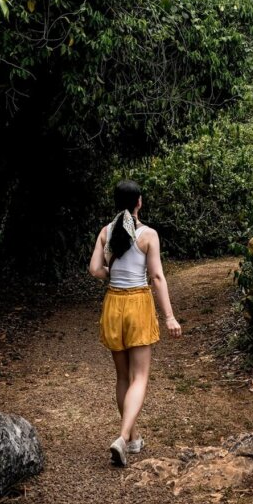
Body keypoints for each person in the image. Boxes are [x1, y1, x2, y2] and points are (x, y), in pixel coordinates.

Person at [89, 179, 182, 466]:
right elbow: (156, 277)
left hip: (114, 303)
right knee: (140, 377)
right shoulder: (148, 235)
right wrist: (169, 317)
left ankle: (132, 438)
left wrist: (113, 276)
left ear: (117, 202)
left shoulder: (106, 232)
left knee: (122, 377)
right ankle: (122, 436)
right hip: (138, 303)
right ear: (139, 202)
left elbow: (94, 269)